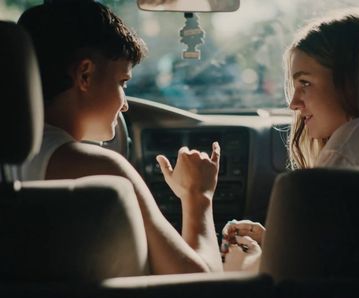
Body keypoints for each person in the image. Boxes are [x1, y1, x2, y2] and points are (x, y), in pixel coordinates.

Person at [16, 0, 222, 274]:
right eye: (122, 82)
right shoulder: (102, 170)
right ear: (85, 75)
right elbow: (202, 286)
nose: (125, 104)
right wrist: (198, 196)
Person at [221, 8, 359, 272]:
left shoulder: (350, 146)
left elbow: (291, 277)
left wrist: (243, 262)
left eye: (305, 83)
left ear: (355, 80)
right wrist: (277, 241)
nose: (293, 103)